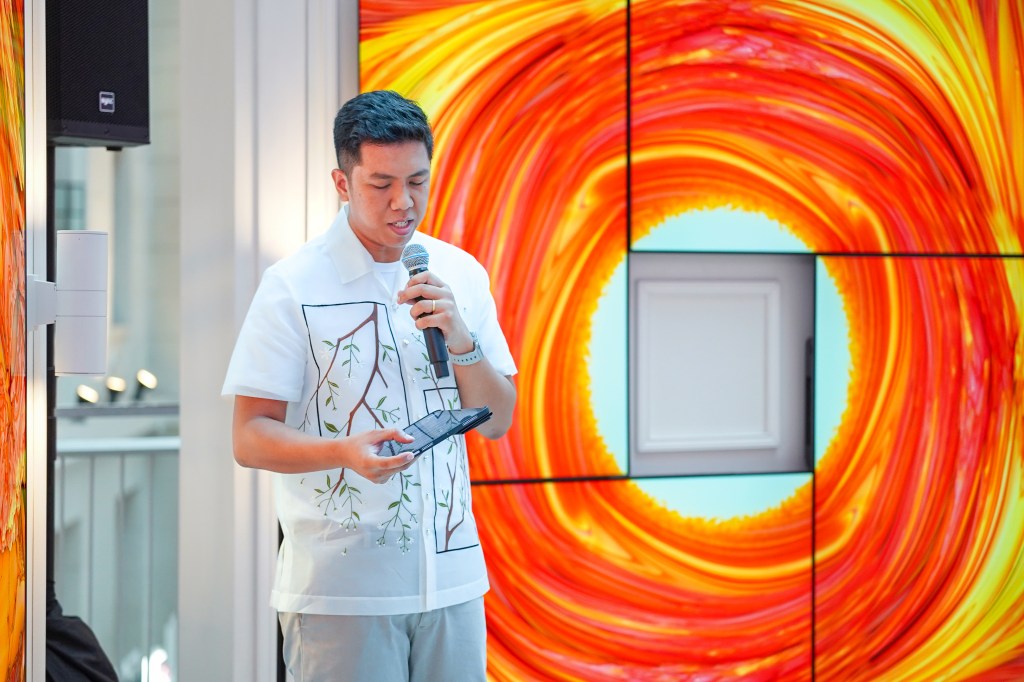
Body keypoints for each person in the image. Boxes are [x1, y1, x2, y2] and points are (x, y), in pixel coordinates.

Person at [222, 90, 517, 682]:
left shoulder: (459, 274)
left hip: (454, 582)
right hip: (342, 591)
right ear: (342, 182)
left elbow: (500, 418)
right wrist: (342, 452)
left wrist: (461, 337)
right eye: (381, 184)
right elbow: (249, 437)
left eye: (417, 181)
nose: (403, 202)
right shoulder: (293, 285)